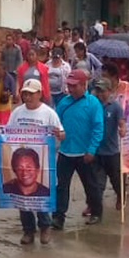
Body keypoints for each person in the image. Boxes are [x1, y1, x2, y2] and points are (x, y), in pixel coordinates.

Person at [7, 79, 64, 245]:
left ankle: (45, 227)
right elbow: (8, 131)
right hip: (21, 163)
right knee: (23, 198)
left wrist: (59, 134)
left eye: (31, 94)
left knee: (40, 197)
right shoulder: (17, 112)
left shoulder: (49, 113)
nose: (27, 97)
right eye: (25, 93)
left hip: (42, 163)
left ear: (39, 94)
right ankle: (28, 230)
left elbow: (61, 133)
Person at [52, 70, 104, 229]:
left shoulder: (93, 103)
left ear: (83, 85)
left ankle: (96, 212)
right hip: (65, 152)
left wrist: (92, 149)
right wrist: (58, 132)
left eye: (74, 86)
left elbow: (98, 128)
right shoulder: (64, 103)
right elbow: (56, 122)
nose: (70, 89)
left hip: (84, 153)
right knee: (61, 186)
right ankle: (58, 217)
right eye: (69, 85)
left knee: (90, 185)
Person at [91, 78, 125, 212]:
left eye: (102, 91)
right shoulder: (94, 105)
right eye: (98, 91)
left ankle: (120, 196)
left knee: (116, 179)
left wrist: (123, 129)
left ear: (109, 91)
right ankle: (94, 204)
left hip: (111, 150)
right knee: (97, 182)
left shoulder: (115, 106)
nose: (100, 94)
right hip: (96, 149)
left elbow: (121, 122)